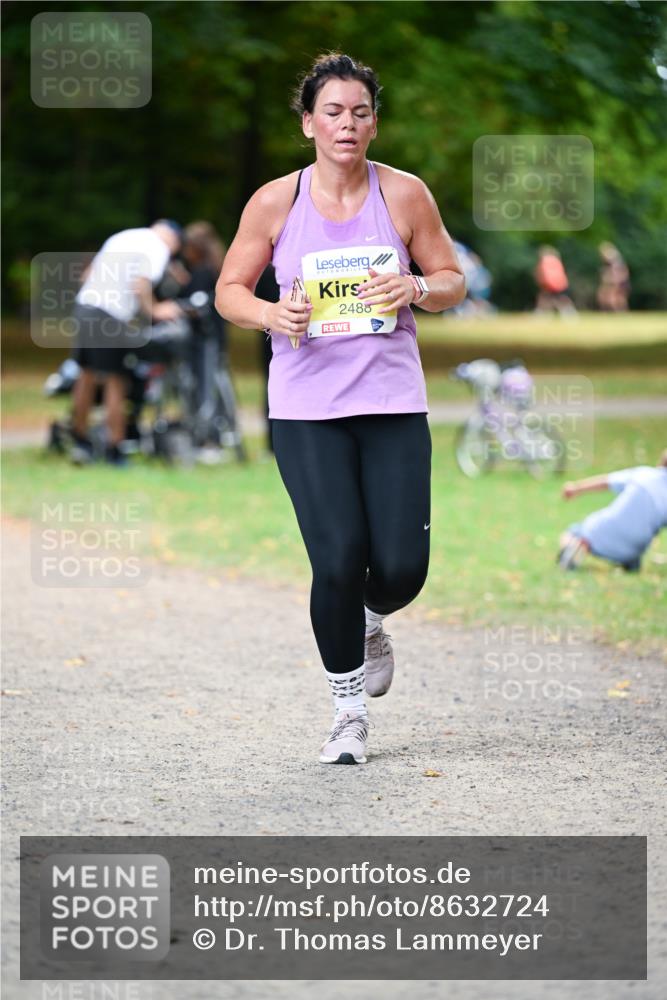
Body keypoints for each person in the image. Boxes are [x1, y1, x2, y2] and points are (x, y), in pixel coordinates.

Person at [216, 53, 465, 764]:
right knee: (336, 559)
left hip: (391, 401)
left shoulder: (405, 195)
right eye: (332, 112)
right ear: (309, 124)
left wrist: (416, 289)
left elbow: (452, 278)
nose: (346, 124)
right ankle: (347, 714)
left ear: (373, 124)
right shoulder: (274, 202)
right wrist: (271, 313)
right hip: (306, 408)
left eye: (359, 112)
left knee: (402, 567)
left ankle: (370, 620)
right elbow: (229, 291)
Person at [71, 220, 183, 465]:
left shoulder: (121, 236)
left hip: (86, 306)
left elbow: (87, 275)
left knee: (86, 375)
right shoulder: (158, 247)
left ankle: (80, 441)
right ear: (173, 240)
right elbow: (140, 284)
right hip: (110, 315)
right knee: (116, 380)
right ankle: (115, 449)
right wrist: (156, 310)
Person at [557, 451, 667, 571]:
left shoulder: (644, 473)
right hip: (635, 546)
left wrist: (576, 488)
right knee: (632, 555)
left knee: (574, 531)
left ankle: (576, 546)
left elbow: (606, 481)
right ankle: (629, 562)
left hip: (605, 530)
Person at [534, 245, 576, 316]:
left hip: (550, 284)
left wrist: (543, 282)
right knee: (560, 298)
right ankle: (568, 312)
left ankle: (540, 313)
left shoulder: (545, 260)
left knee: (547, 298)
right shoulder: (556, 260)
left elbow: (544, 274)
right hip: (560, 283)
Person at [597, 241, 630, 312]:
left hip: (618, 282)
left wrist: (615, 282)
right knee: (606, 297)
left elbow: (621, 274)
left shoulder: (615, 262)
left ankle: (619, 312)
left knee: (616, 298)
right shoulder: (610, 263)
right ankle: (614, 312)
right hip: (613, 282)